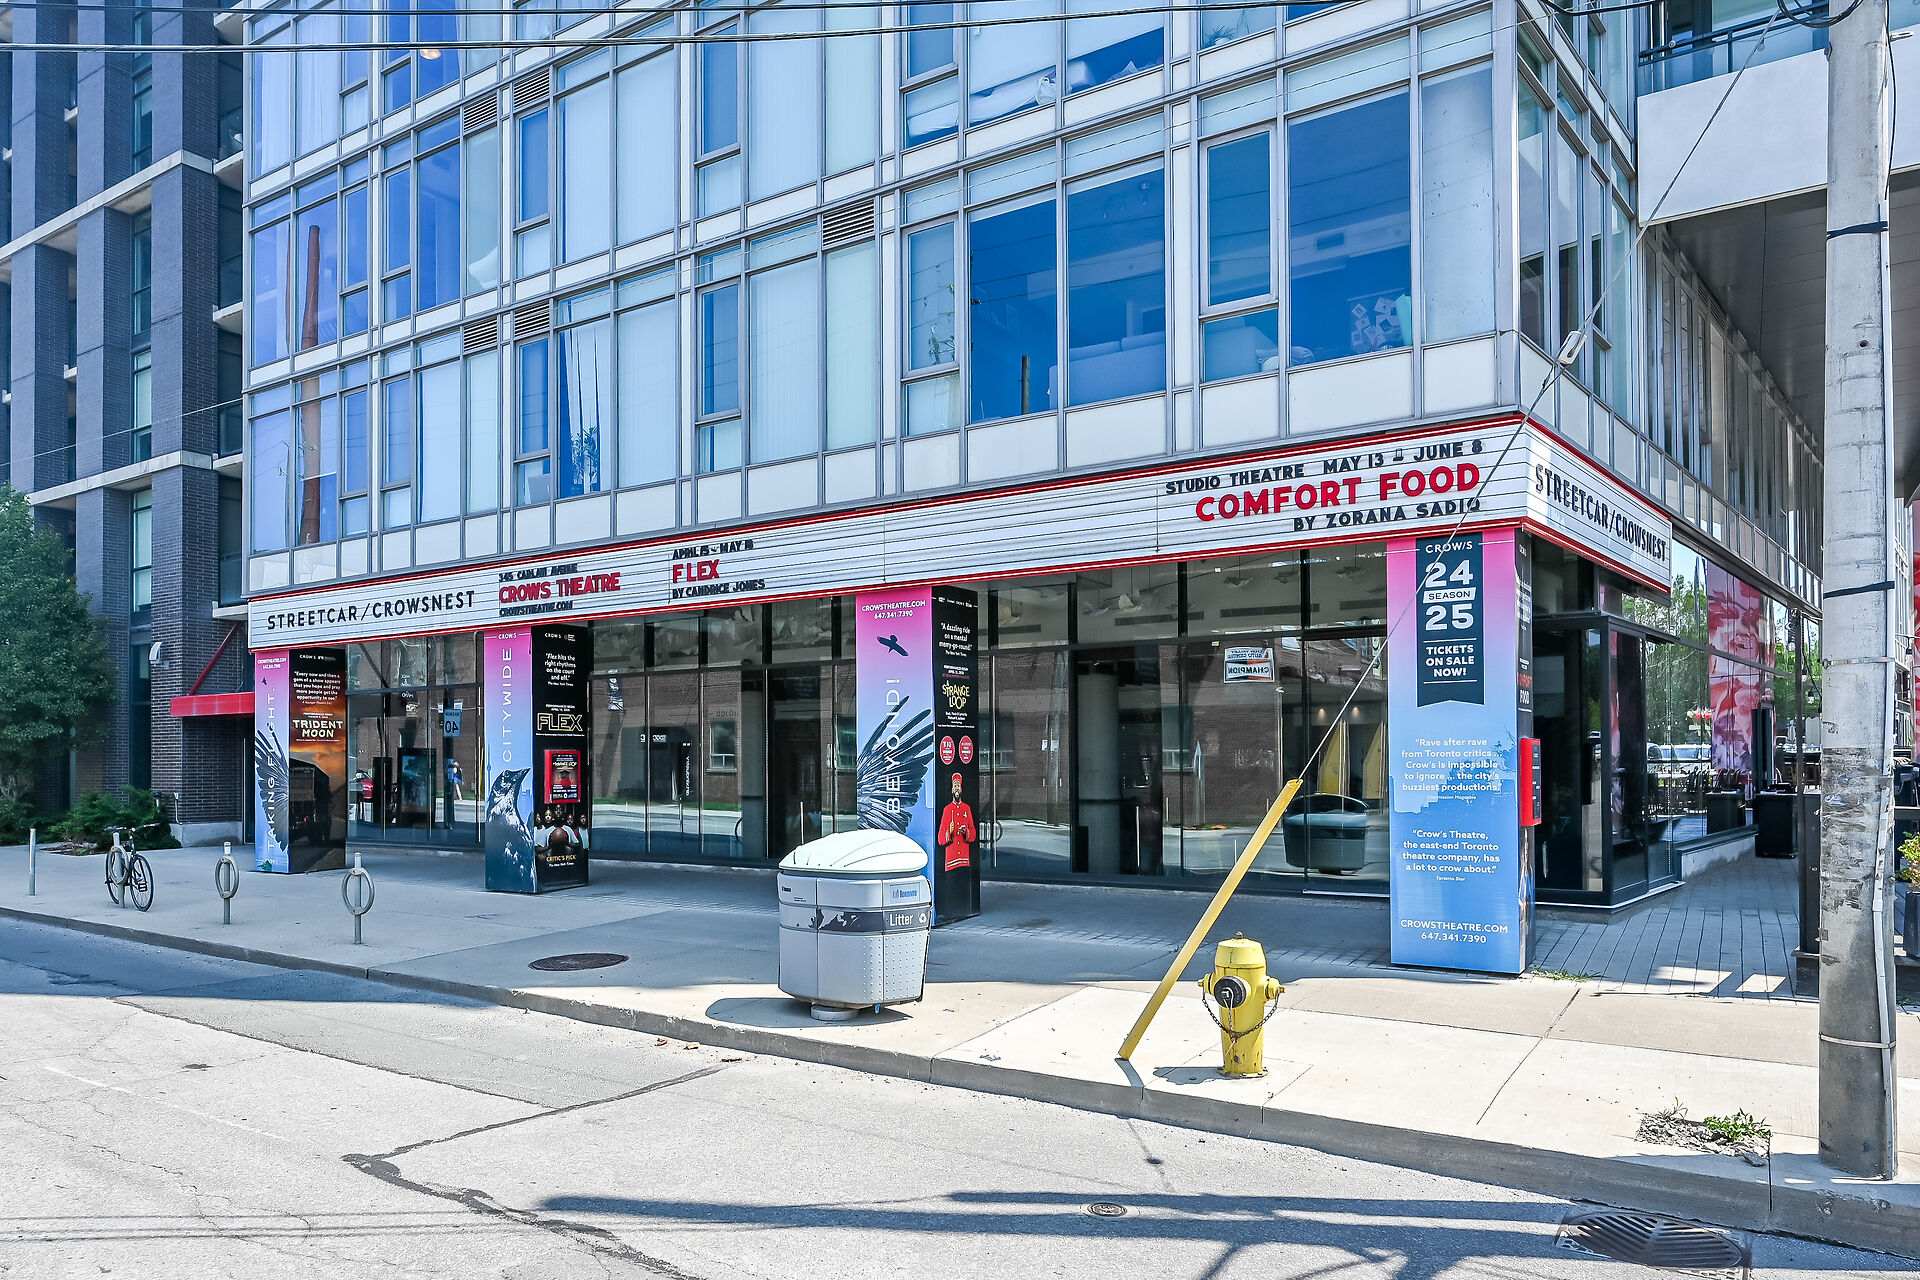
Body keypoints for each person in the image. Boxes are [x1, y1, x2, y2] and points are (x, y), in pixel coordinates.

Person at [937, 772, 976, 871]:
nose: (957, 788)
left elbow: (973, 833)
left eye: (958, 786)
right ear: (952, 789)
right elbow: (940, 838)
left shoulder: (967, 808)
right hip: (951, 860)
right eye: (955, 786)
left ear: (961, 789)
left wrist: (966, 832)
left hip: (964, 860)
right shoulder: (947, 809)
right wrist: (949, 832)